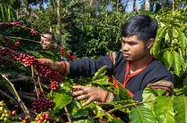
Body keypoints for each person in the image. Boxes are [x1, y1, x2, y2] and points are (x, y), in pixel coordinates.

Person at [38, 14, 175, 107]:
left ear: (149, 43)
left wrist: (104, 96)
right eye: (123, 42)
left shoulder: (161, 78)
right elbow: (92, 65)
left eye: (132, 44)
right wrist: (59, 66)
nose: (125, 48)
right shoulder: (118, 59)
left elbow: (140, 108)